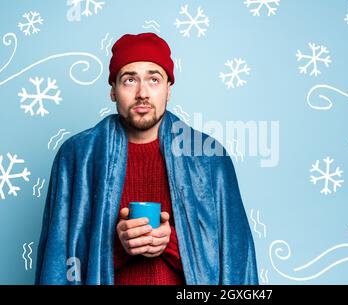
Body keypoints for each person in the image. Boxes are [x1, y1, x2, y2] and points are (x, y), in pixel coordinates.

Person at [35, 32, 259, 285]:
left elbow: (236, 260)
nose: (142, 92)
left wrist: (172, 242)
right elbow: (59, 257)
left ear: (168, 89)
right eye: (130, 80)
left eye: (154, 79)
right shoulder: (78, 156)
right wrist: (118, 245)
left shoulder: (209, 157)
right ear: (113, 91)